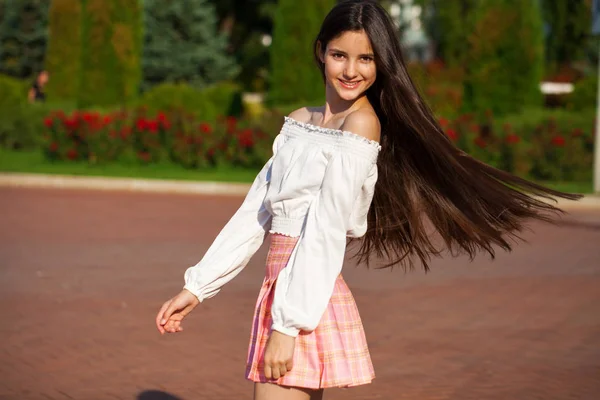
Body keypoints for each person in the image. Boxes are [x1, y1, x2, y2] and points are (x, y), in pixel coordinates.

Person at [155, 1, 581, 399]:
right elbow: (256, 211)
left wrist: (287, 325)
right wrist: (198, 286)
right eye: (340, 55)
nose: (352, 70)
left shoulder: (360, 125)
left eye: (366, 58)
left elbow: (325, 229)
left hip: (303, 293)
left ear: (381, 64)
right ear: (321, 51)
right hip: (281, 289)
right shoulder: (300, 121)